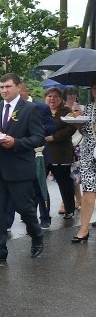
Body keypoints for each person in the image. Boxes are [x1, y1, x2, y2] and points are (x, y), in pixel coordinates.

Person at [0, 73, 45, 264]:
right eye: (1, 87)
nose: (4, 90)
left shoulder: (30, 109)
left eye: (8, 86)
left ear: (18, 87)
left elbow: (38, 138)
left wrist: (16, 142)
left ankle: (37, 236)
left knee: (25, 209)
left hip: (20, 169)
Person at [3, 83, 55, 230]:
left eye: (20, 92)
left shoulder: (40, 107)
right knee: (13, 187)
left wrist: (34, 128)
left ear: (25, 91)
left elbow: (51, 126)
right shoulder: (10, 108)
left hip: (37, 152)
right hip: (17, 151)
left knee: (39, 187)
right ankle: (8, 221)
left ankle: (45, 217)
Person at [43, 87, 77, 222]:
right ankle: (43, 212)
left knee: (64, 183)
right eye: (50, 96)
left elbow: (71, 128)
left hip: (61, 153)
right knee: (39, 183)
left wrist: (54, 137)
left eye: (56, 96)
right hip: (43, 153)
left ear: (61, 99)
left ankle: (69, 209)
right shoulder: (40, 111)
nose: (52, 99)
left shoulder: (66, 112)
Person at [71, 79, 96, 243]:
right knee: (88, 190)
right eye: (94, 88)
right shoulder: (89, 107)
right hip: (89, 153)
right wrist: (78, 119)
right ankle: (83, 228)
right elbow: (85, 131)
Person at [61, 86, 83, 214]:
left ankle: (77, 199)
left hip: (78, 145)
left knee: (75, 175)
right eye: (69, 95)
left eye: (74, 94)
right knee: (67, 176)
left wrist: (79, 112)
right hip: (65, 145)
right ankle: (69, 200)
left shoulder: (82, 109)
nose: (71, 97)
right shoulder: (62, 110)